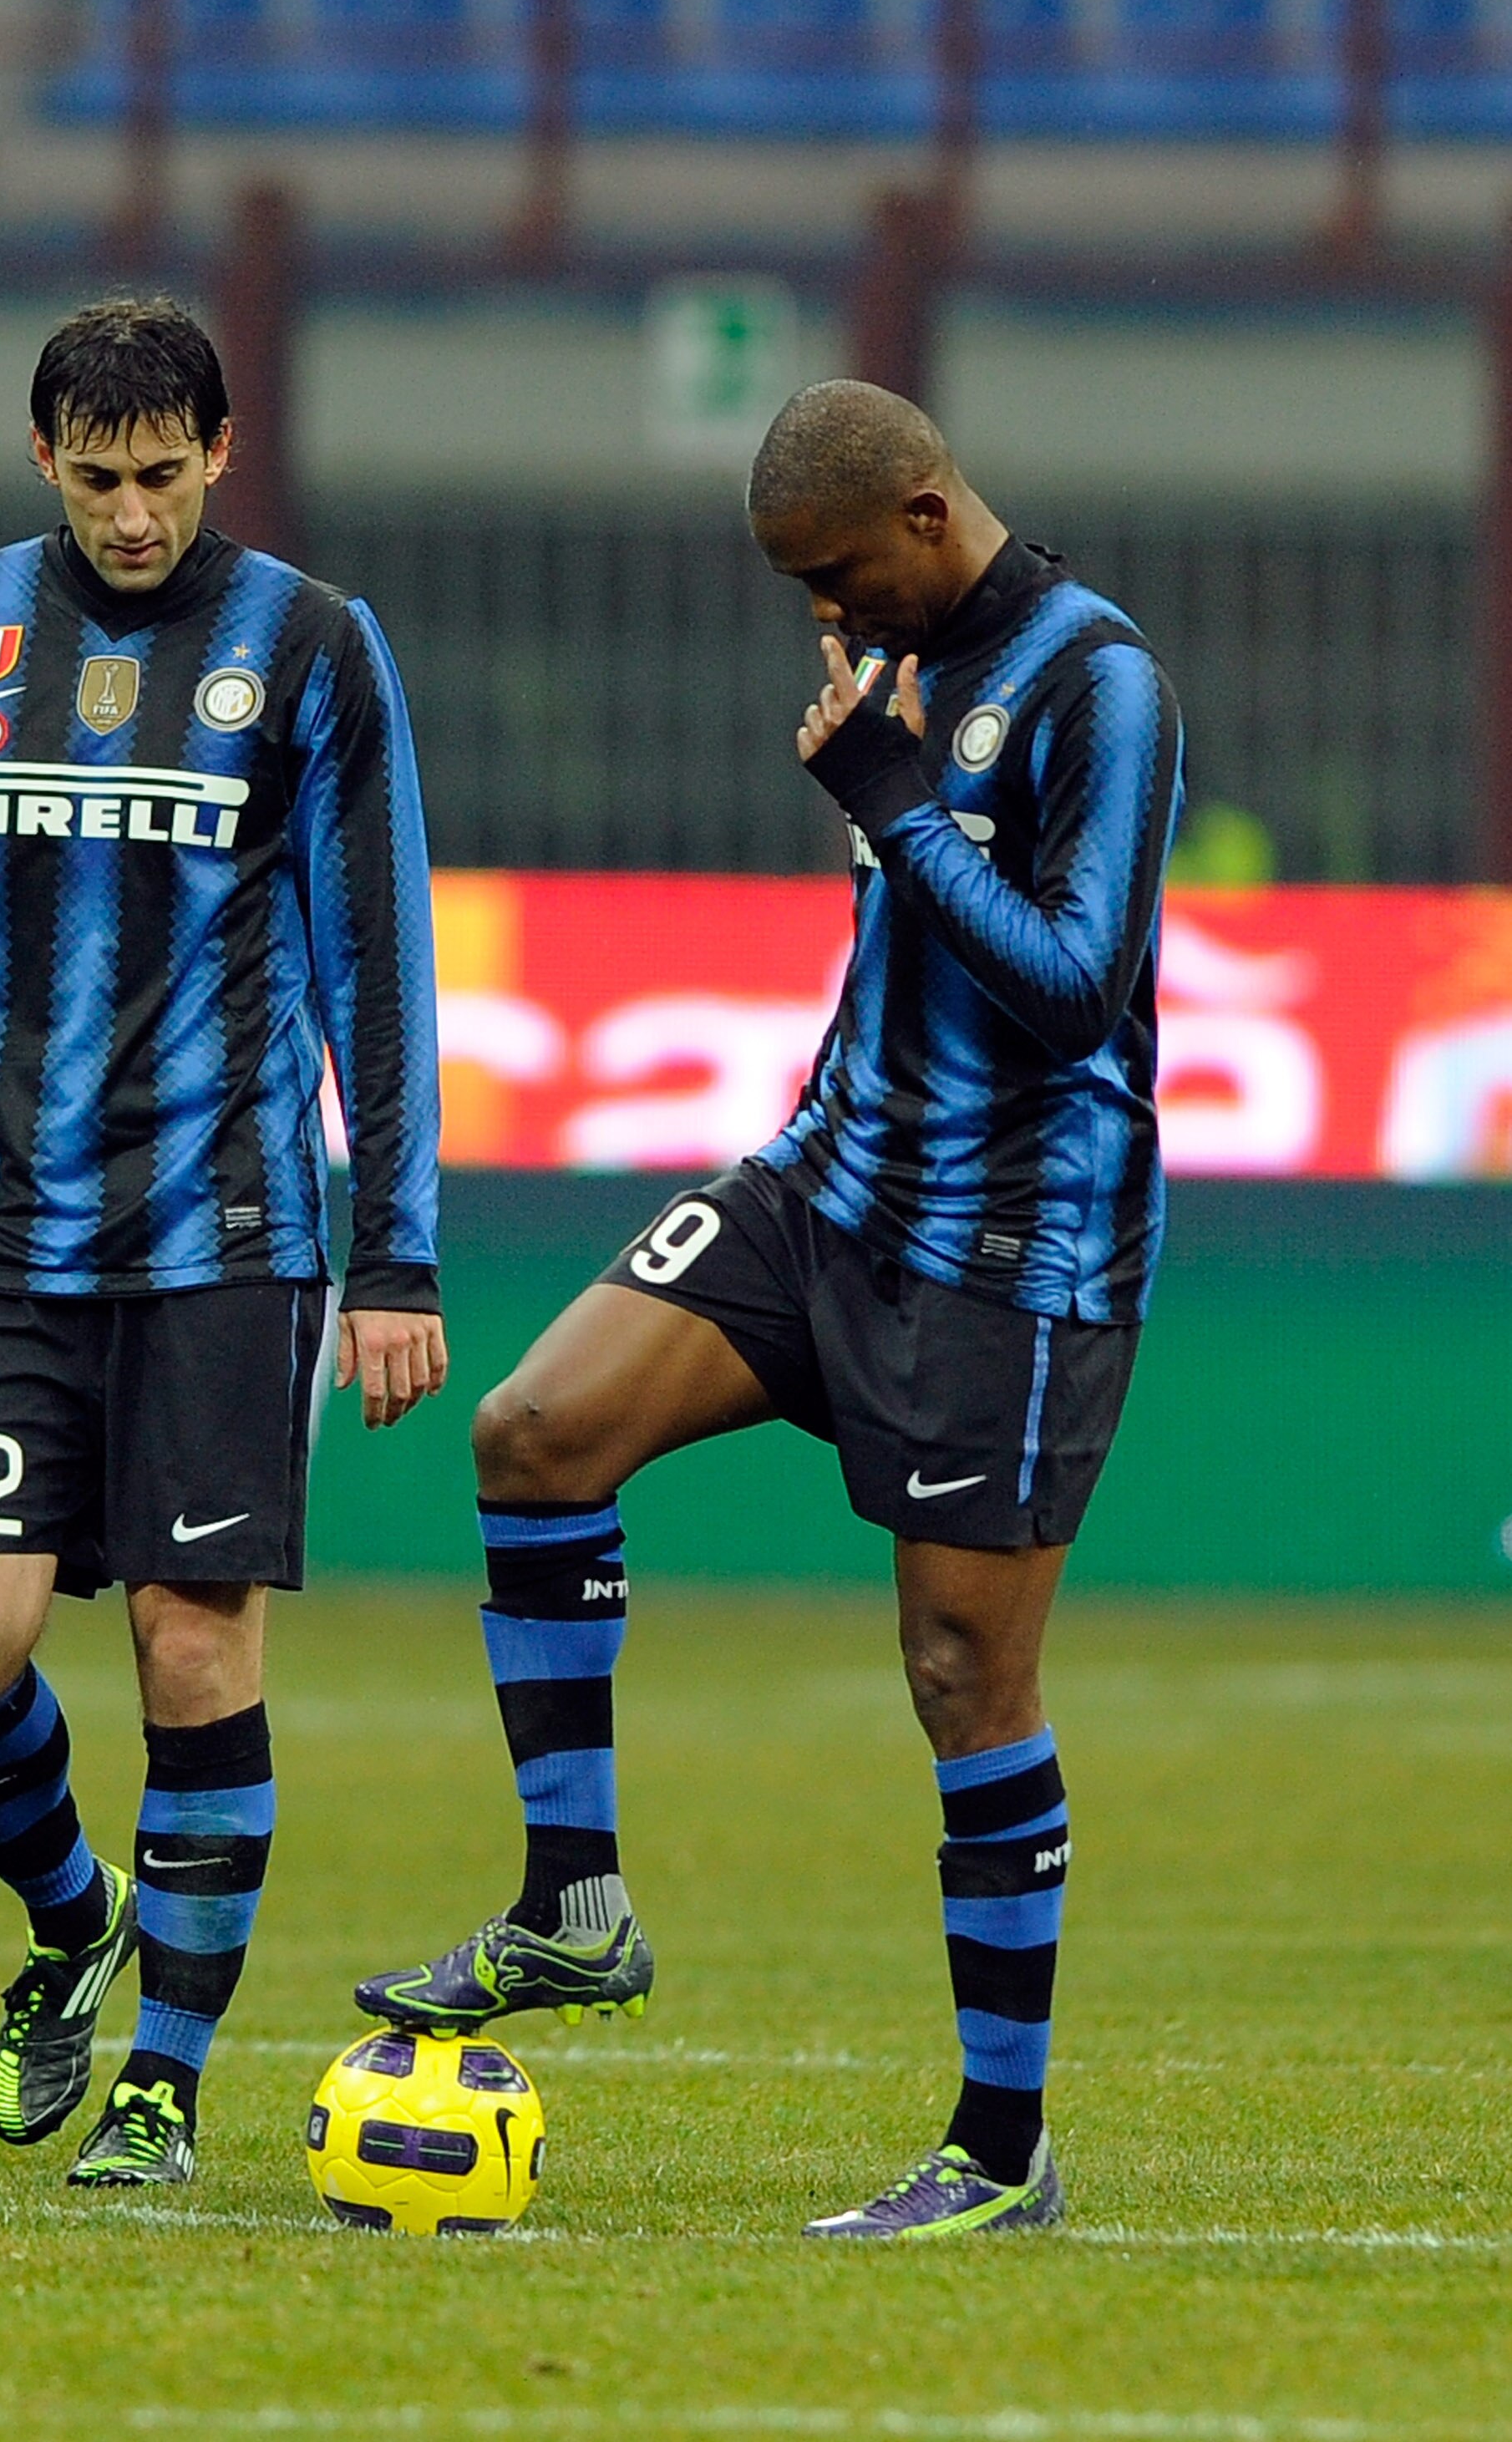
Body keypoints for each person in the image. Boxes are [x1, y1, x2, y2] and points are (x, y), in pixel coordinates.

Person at [355, 378, 1183, 2241]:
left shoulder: (1097, 684)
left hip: (1012, 1253)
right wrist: (886, 791)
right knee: (536, 1431)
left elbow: (1076, 987)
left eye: (838, 577)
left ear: (921, 510)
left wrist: (894, 804)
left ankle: (998, 2152)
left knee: (966, 1679)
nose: (826, 618)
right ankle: (575, 1904)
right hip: (830, 1182)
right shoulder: (892, 664)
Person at [0, 297, 444, 2191]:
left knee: (193, 1645)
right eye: (99, 479)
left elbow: (374, 962)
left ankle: (160, 2087)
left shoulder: (315, 648)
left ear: (220, 456)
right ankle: (74, 1921)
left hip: (226, 1238)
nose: (135, 514)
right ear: (41, 461)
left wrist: (391, 1259)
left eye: (165, 477)